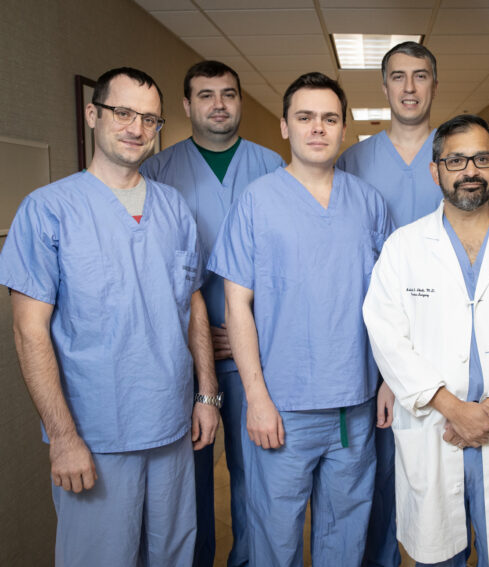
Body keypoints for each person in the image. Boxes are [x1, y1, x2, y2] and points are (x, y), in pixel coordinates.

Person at [0, 67, 219, 566]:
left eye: (149, 119)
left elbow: (193, 305)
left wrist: (207, 395)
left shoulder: (174, 209)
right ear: (93, 113)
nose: (136, 129)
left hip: (171, 425)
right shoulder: (49, 210)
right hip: (95, 434)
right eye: (123, 113)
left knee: (174, 555)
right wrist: (63, 437)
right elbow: (28, 331)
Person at [363, 114, 489, 566]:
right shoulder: (404, 249)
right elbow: (386, 335)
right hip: (438, 429)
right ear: (435, 170)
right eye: (455, 160)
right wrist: (453, 408)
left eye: (481, 158)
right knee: (441, 556)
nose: (469, 170)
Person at [208, 72, 393, 566]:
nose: (318, 128)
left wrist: (389, 382)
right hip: (282, 407)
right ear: (285, 127)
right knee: (275, 537)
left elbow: (391, 304)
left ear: (344, 128)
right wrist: (257, 398)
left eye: (330, 118)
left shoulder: (368, 203)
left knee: (347, 536)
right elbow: (237, 306)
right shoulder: (257, 202)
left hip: (354, 405)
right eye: (305, 117)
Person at [336, 41, 489, 567]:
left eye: (420, 76)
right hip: (382, 354)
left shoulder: (463, 155)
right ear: (383, 87)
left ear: (435, 83)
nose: (409, 88)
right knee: (382, 479)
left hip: (464, 360)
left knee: (457, 484)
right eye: (397, 77)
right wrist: (392, 372)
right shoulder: (352, 163)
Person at [141, 59, 285, 567]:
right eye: (205, 95)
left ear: (241, 101)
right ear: (186, 106)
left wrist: (250, 334)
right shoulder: (156, 173)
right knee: (188, 484)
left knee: (256, 479)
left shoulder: (272, 167)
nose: (218, 104)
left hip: (257, 356)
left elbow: (286, 266)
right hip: (183, 355)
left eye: (228, 93)